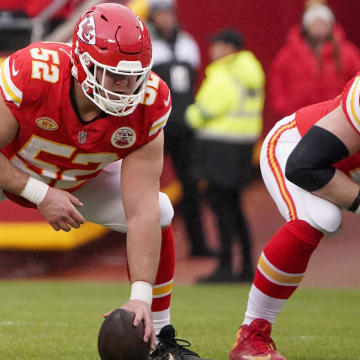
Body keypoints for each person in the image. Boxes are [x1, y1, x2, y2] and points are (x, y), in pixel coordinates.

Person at [0, 3, 206, 360]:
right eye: (114, 75)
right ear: (82, 63)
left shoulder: (149, 102)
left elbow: (141, 208)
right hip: (13, 169)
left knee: (159, 209)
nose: (126, 87)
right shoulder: (34, 72)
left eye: (134, 76)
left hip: (80, 179)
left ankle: (161, 338)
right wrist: (38, 193)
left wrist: (139, 298)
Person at [228, 38, 360, 360]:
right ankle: (251, 335)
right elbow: (304, 165)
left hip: (334, 166)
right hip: (291, 147)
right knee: (319, 219)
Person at [186, 29, 265, 282]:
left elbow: (203, 111)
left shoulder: (223, 75)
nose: (212, 50)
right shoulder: (251, 72)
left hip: (219, 149)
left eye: (217, 45)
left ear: (229, 48)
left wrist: (189, 114)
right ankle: (245, 265)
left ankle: (225, 266)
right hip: (242, 148)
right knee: (235, 207)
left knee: (221, 208)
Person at [147, 0, 213, 257]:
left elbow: (193, 83)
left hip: (185, 128)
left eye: (169, 14)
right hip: (158, 128)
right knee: (148, 187)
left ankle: (198, 244)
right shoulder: (148, 45)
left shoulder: (188, 44)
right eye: (161, 14)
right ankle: (151, 247)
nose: (166, 19)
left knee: (191, 186)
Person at [269, 0, 360, 121]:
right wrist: (283, 107)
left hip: (335, 118)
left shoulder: (348, 53)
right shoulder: (288, 53)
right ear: (307, 26)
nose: (319, 27)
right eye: (315, 23)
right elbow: (277, 81)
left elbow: (356, 82)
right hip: (298, 117)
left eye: (323, 23)